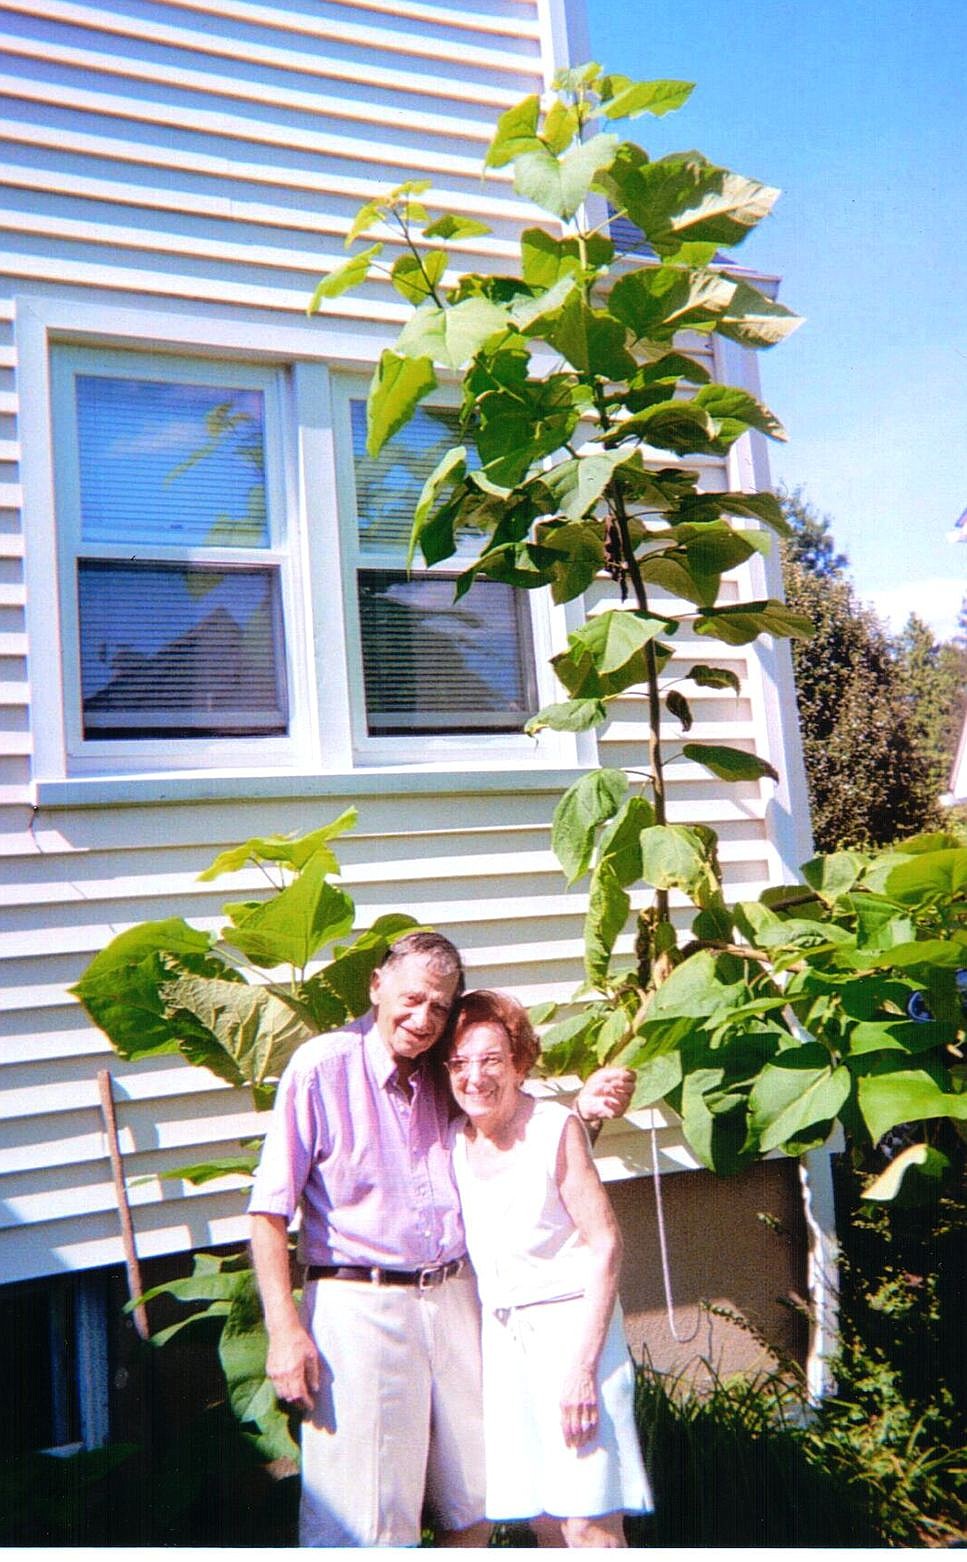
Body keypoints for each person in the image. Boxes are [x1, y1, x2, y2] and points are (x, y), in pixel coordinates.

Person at [248, 931, 634, 1548]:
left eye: (439, 1007)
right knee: (365, 1518)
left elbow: (513, 1129)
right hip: (361, 1305)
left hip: (458, 1300)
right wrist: (285, 1329)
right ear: (376, 986)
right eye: (411, 999)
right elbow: (268, 1212)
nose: (423, 1019)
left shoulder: (447, 1069)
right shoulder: (321, 1068)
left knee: (478, 1499)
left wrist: (581, 1109)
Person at [445, 988, 652, 1549]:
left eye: (490, 1059)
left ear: (519, 1063)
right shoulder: (454, 1141)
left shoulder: (554, 1130)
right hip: (506, 1340)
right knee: (542, 1518)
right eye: (460, 1063)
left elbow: (606, 1244)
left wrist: (582, 1369)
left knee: (589, 1518)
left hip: (572, 1335)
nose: (474, 1076)